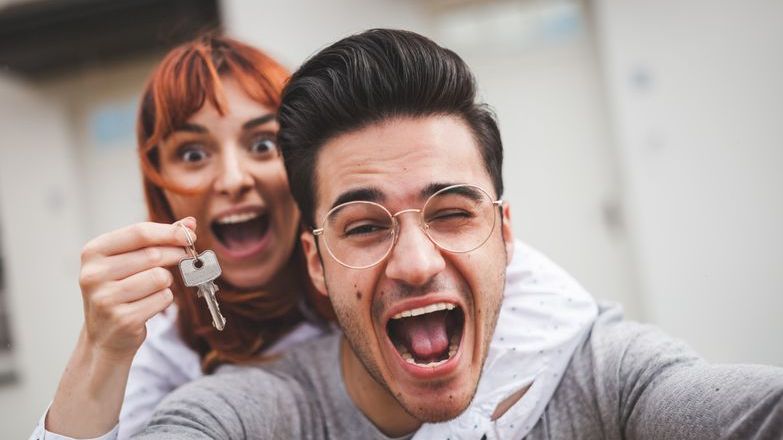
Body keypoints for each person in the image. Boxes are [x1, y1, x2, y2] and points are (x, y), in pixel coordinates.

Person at [134, 29, 783, 440]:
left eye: (450, 213)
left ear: (505, 234)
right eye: (363, 227)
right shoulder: (250, 405)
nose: (415, 265)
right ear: (316, 261)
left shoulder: (595, 370)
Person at [31, 35, 598, 440]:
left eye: (261, 145)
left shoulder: (447, 256)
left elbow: (577, 324)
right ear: (161, 185)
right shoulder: (161, 340)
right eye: (193, 154)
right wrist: (100, 351)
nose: (233, 180)